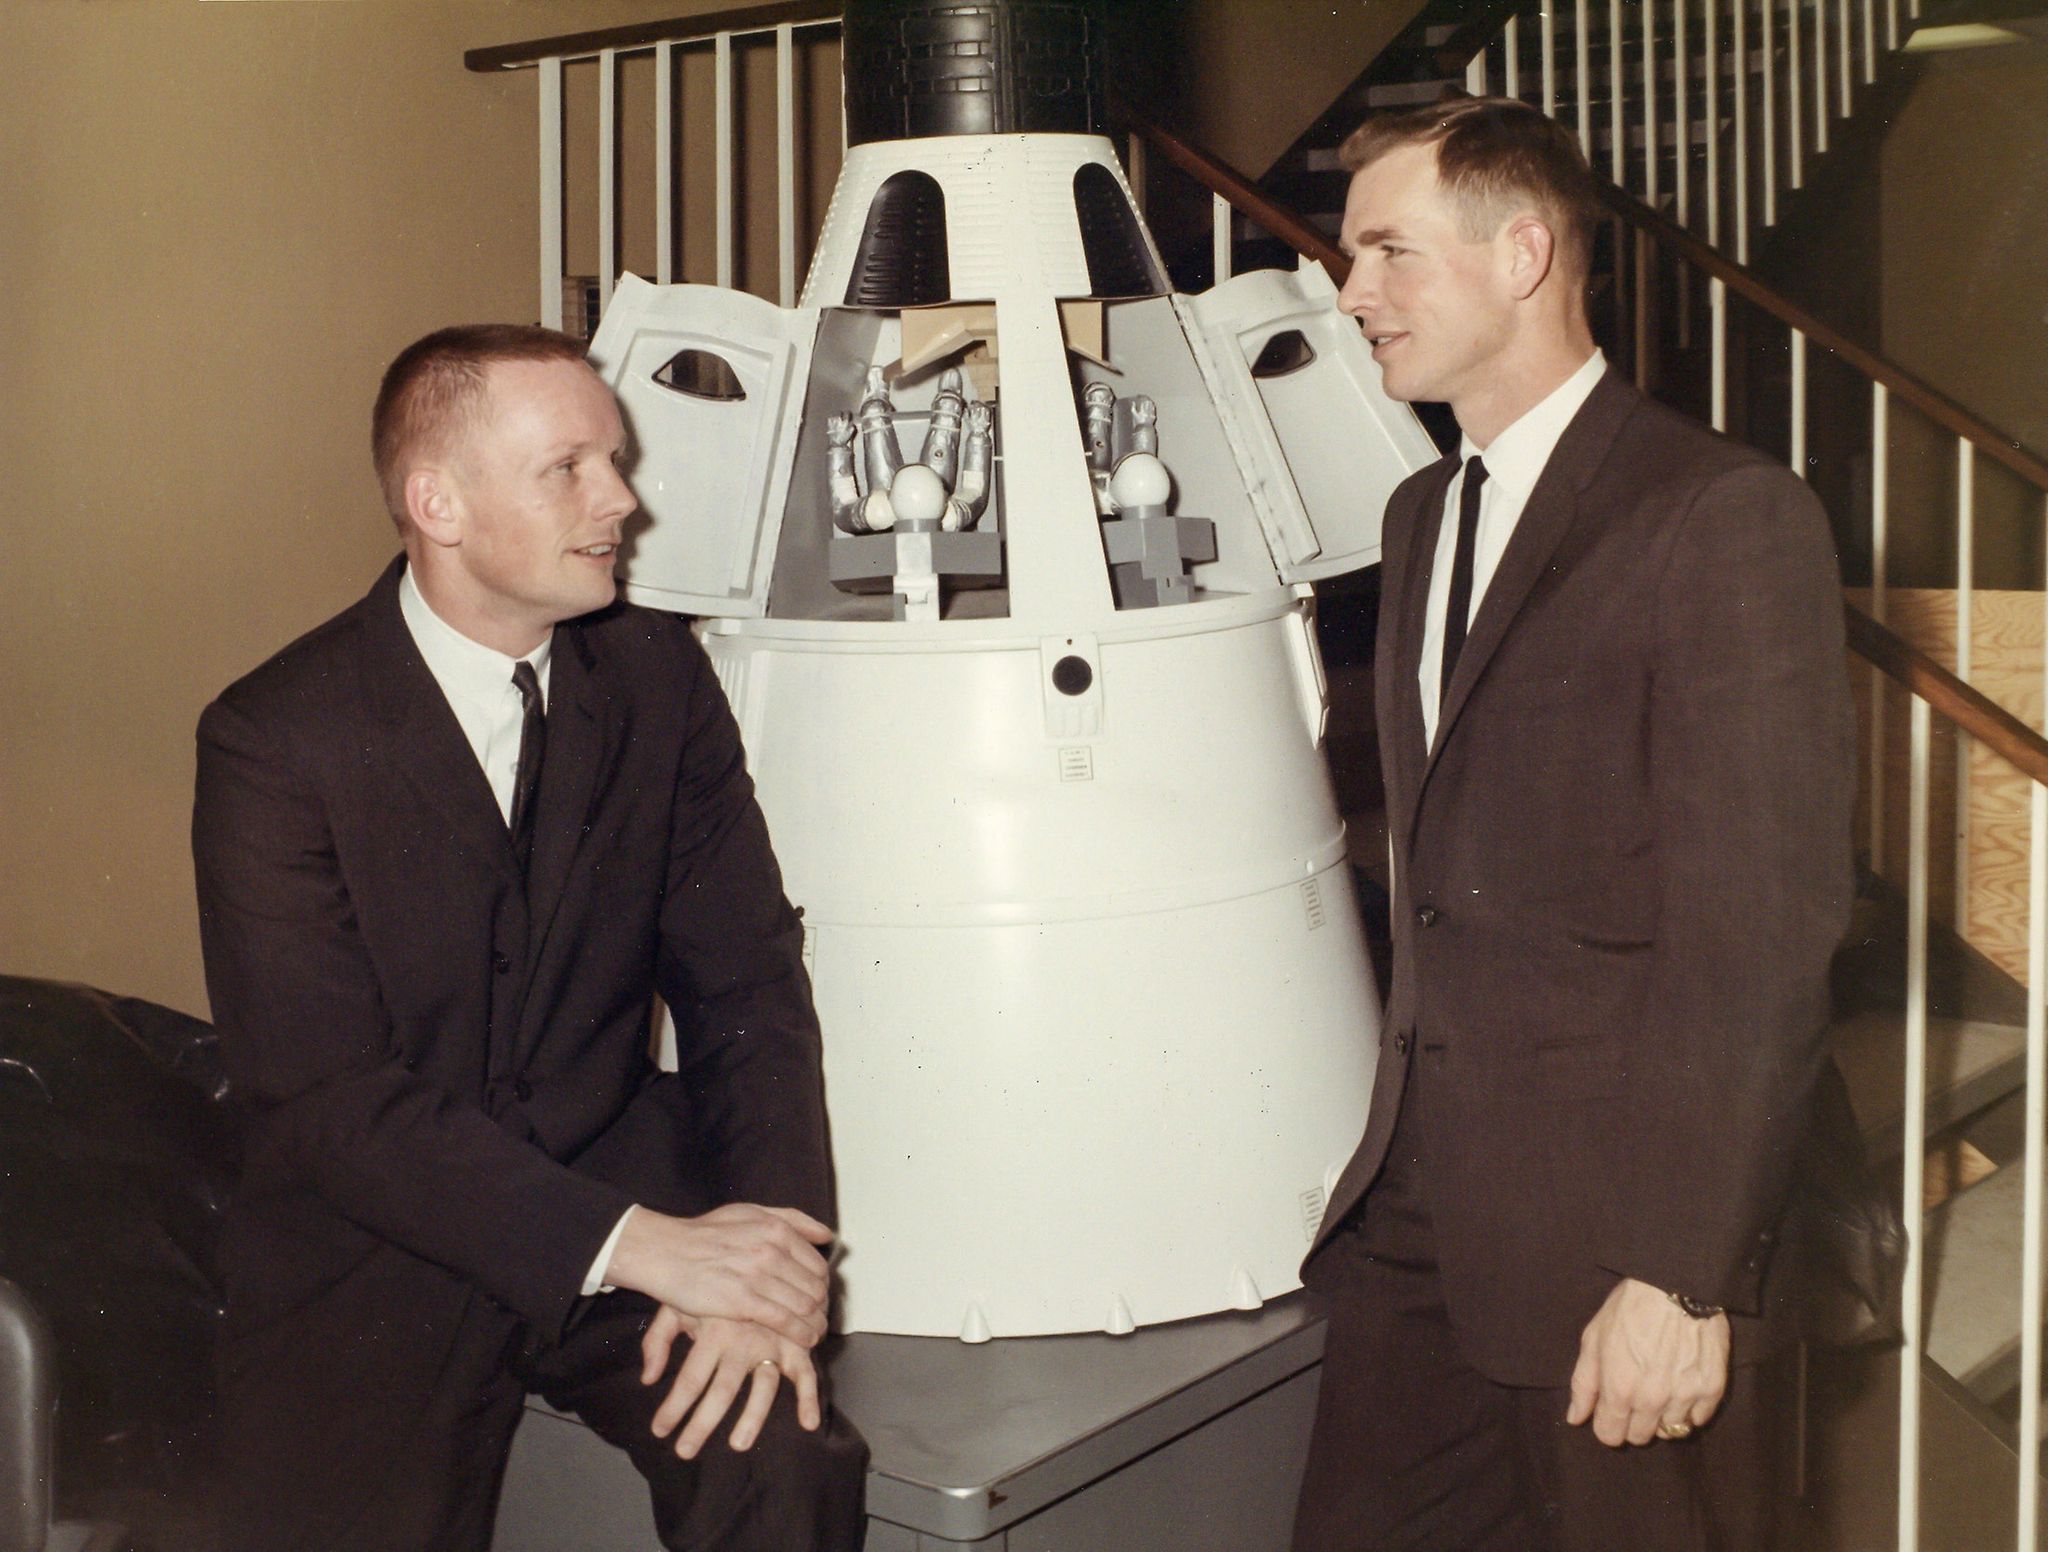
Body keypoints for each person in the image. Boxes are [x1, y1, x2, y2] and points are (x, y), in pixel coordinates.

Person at [192, 324, 868, 1551]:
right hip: (377, 1243)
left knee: (784, 1453)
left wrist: (765, 1257)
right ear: (435, 502)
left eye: (613, 458)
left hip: (620, 1168)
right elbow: (332, 1104)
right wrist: (643, 1247)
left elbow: (748, 986)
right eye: (569, 467)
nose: (622, 500)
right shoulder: (271, 742)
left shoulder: (659, 676)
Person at [1292, 99, 1856, 1550]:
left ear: (1525, 252)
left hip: (1625, 1256)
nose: (1350, 292)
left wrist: (1681, 1274)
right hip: (1422, 1225)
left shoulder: (1721, 515)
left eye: (1388, 252)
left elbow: (1762, 936)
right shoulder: (1419, 518)